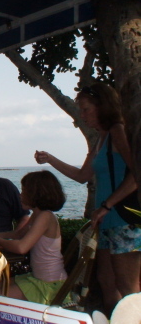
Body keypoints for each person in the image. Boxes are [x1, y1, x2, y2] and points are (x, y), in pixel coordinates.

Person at [34, 83, 141, 315]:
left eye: (85, 109)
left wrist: (106, 205)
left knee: (129, 289)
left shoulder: (117, 131)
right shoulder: (100, 139)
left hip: (124, 220)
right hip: (105, 222)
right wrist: (50, 159)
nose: (81, 115)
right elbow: (82, 176)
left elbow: (137, 174)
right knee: (106, 283)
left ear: (102, 106)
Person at [0, 170, 68, 305]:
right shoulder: (37, 215)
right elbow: (17, 234)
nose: (20, 195)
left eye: (24, 191)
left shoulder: (45, 217)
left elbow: (21, 247)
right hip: (39, 278)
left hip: (48, 284)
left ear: (36, 194)